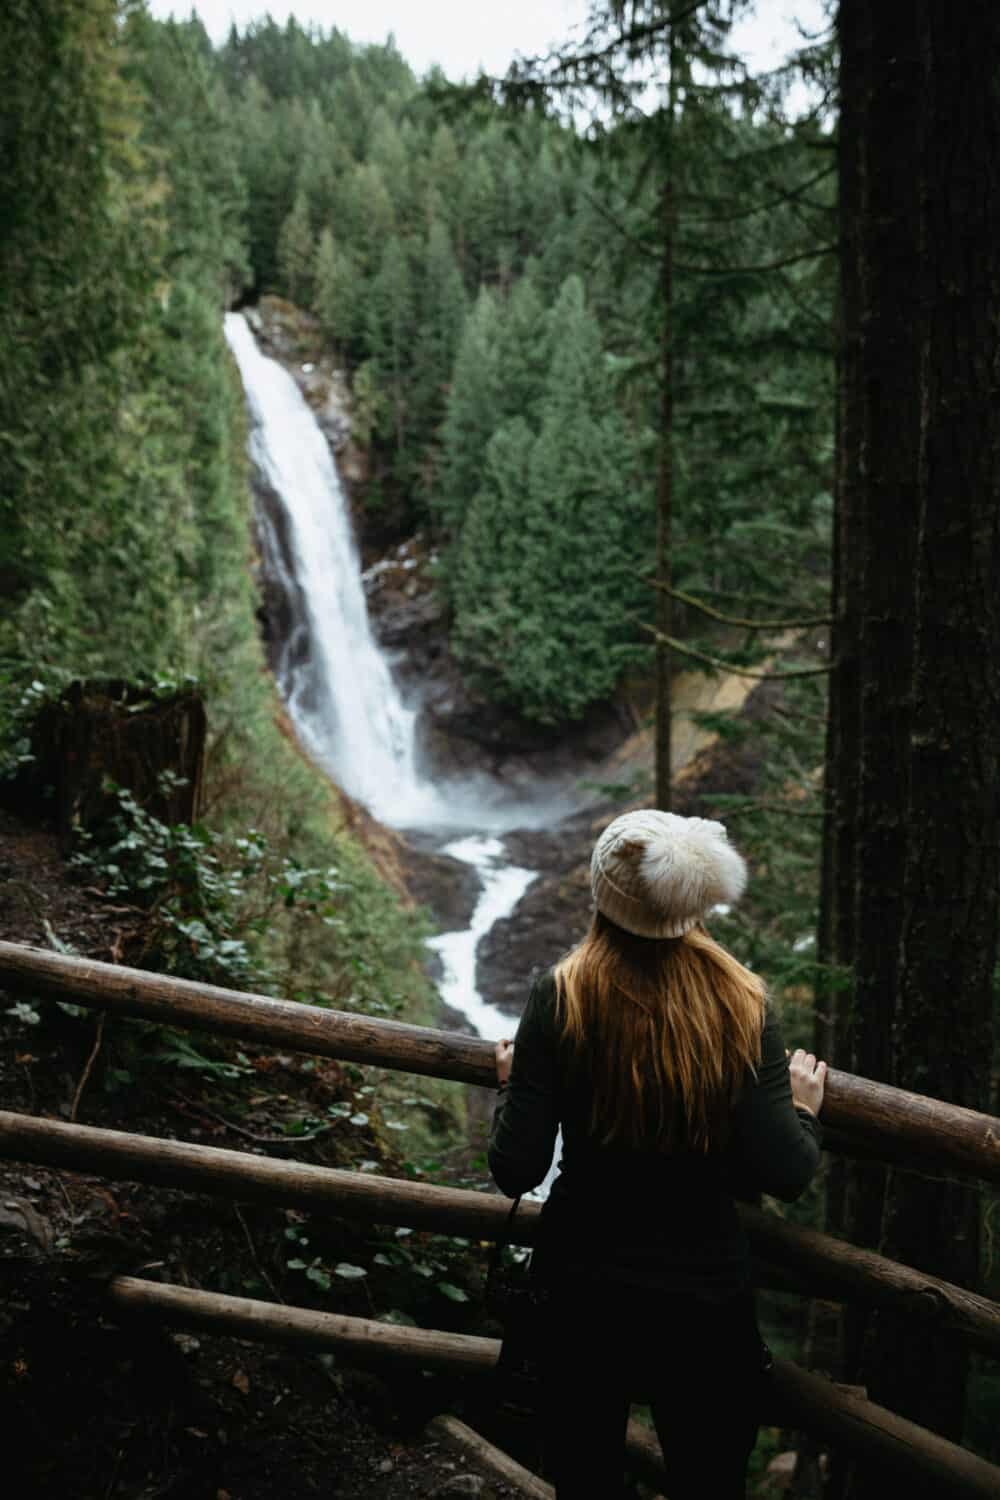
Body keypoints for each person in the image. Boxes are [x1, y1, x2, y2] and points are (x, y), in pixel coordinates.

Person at [488, 809, 826, 1499]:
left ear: (600, 896)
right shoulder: (744, 1002)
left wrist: (512, 1084)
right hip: (705, 1306)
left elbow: (517, 1169)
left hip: (583, 1298)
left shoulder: (561, 997)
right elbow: (787, 1171)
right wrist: (800, 1110)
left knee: (583, 1483)